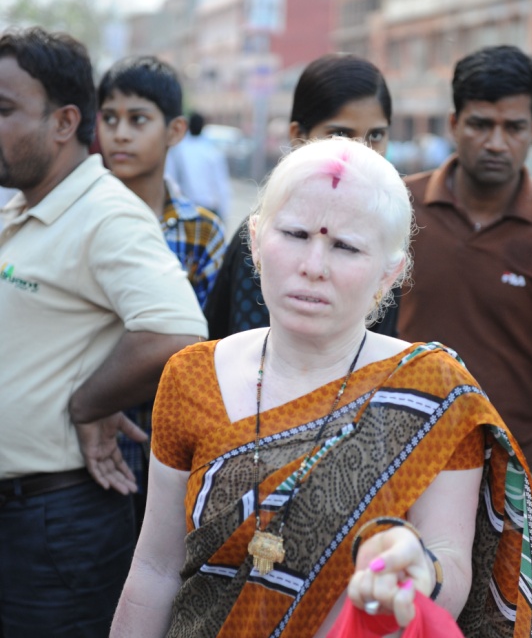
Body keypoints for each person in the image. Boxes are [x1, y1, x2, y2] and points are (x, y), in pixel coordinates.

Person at [58, 137, 532, 638]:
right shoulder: (190, 378)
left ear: (390, 272)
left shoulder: (430, 391)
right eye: (295, 235)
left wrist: (414, 573)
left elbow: (448, 563)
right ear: (257, 240)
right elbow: (155, 568)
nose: (313, 266)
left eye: (345, 248)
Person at [0, 27, 207, 638]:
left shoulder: (104, 214)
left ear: (63, 121)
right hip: (19, 519)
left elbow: (175, 331)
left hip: (58, 526)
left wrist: (90, 404)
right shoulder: (25, 209)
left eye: (4, 108)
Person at [396, 44, 532, 571]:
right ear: (453, 123)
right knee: (399, 611)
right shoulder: (400, 207)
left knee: (503, 625)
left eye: (513, 128)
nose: (496, 142)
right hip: (401, 456)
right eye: (480, 124)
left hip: (516, 468)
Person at [97, 56, 227, 522]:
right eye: (109, 118)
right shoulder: (81, 218)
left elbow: (205, 349)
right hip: (82, 444)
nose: (120, 134)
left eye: (138, 120)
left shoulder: (200, 231)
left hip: (167, 443)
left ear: (174, 130)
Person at [205, 52, 397, 339]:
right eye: (341, 134)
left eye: (377, 136)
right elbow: (257, 353)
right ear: (299, 136)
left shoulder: (385, 231)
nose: (361, 152)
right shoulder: (268, 237)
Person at [165, 111, 231, 223]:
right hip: (209, 210)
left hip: (186, 210)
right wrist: (225, 214)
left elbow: (171, 180)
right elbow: (222, 185)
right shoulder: (212, 151)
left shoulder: (179, 150)